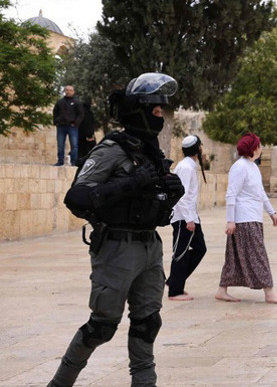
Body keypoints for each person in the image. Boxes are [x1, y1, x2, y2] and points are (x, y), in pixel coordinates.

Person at [50, 73, 185, 387]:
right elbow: (77, 198)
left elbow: (155, 204)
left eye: (162, 111)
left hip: (150, 245)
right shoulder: (111, 149)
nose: (160, 116)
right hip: (116, 247)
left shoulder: (149, 152)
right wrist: (131, 183)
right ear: (138, 110)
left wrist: (169, 191)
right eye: (154, 109)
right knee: (102, 326)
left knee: (148, 322)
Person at [216, 132, 277, 305]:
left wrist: (272, 212)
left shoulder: (252, 166)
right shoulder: (239, 167)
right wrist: (230, 220)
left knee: (233, 256)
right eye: (260, 145)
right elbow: (231, 194)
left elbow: (260, 193)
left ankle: (221, 290)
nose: (262, 148)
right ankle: (269, 292)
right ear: (254, 148)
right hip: (243, 219)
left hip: (253, 217)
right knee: (259, 255)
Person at [165, 135, 208, 301]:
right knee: (181, 252)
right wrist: (189, 219)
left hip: (191, 217)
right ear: (197, 149)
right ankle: (174, 290)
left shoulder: (190, 166)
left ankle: (175, 280)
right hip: (184, 218)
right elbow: (180, 196)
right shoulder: (185, 168)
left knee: (200, 248)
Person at [53, 84, 84, 166]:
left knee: (74, 145)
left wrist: (76, 123)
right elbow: (55, 112)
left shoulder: (77, 103)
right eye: (67, 90)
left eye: (70, 90)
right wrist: (56, 122)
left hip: (72, 127)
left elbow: (81, 114)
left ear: (73, 92)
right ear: (64, 91)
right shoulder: (60, 102)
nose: (68, 92)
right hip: (61, 127)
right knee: (60, 145)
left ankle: (73, 162)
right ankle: (60, 161)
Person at [76, 97, 97, 165]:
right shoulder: (88, 113)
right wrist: (91, 134)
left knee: (82, 149)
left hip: (81, 134)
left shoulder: (80, 112)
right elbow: (89, 124)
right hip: (87, 134)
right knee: (89, 149)